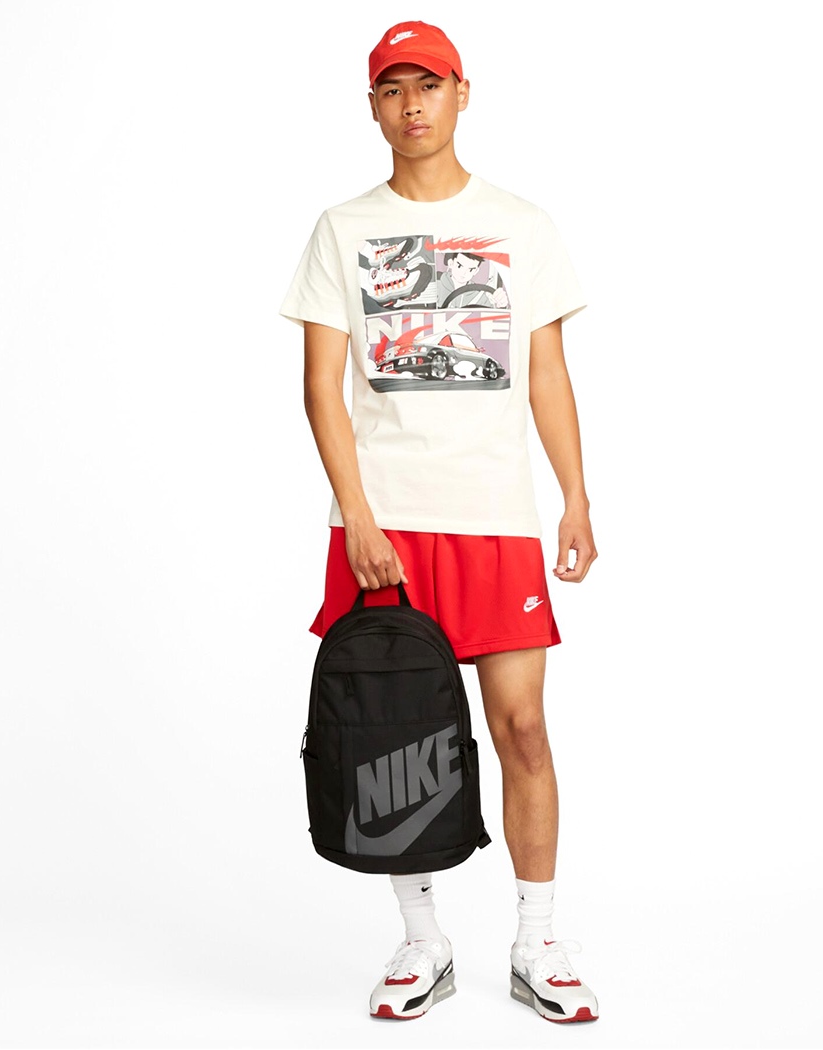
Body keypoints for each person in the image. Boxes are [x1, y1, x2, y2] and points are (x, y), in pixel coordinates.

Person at [279, 20, 599, 1024]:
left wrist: (576, 496)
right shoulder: (342, 229)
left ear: (463, 93)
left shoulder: (523, 225)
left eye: (429, 84)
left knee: (523, 730)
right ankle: (422, 942)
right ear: (373, 107)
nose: (411, 103)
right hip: (385, 524)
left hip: (495, 518)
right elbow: (321, 390)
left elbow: (547, 373)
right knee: (391, 735)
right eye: (392, 88)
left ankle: (538, 942)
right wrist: (359, 517)